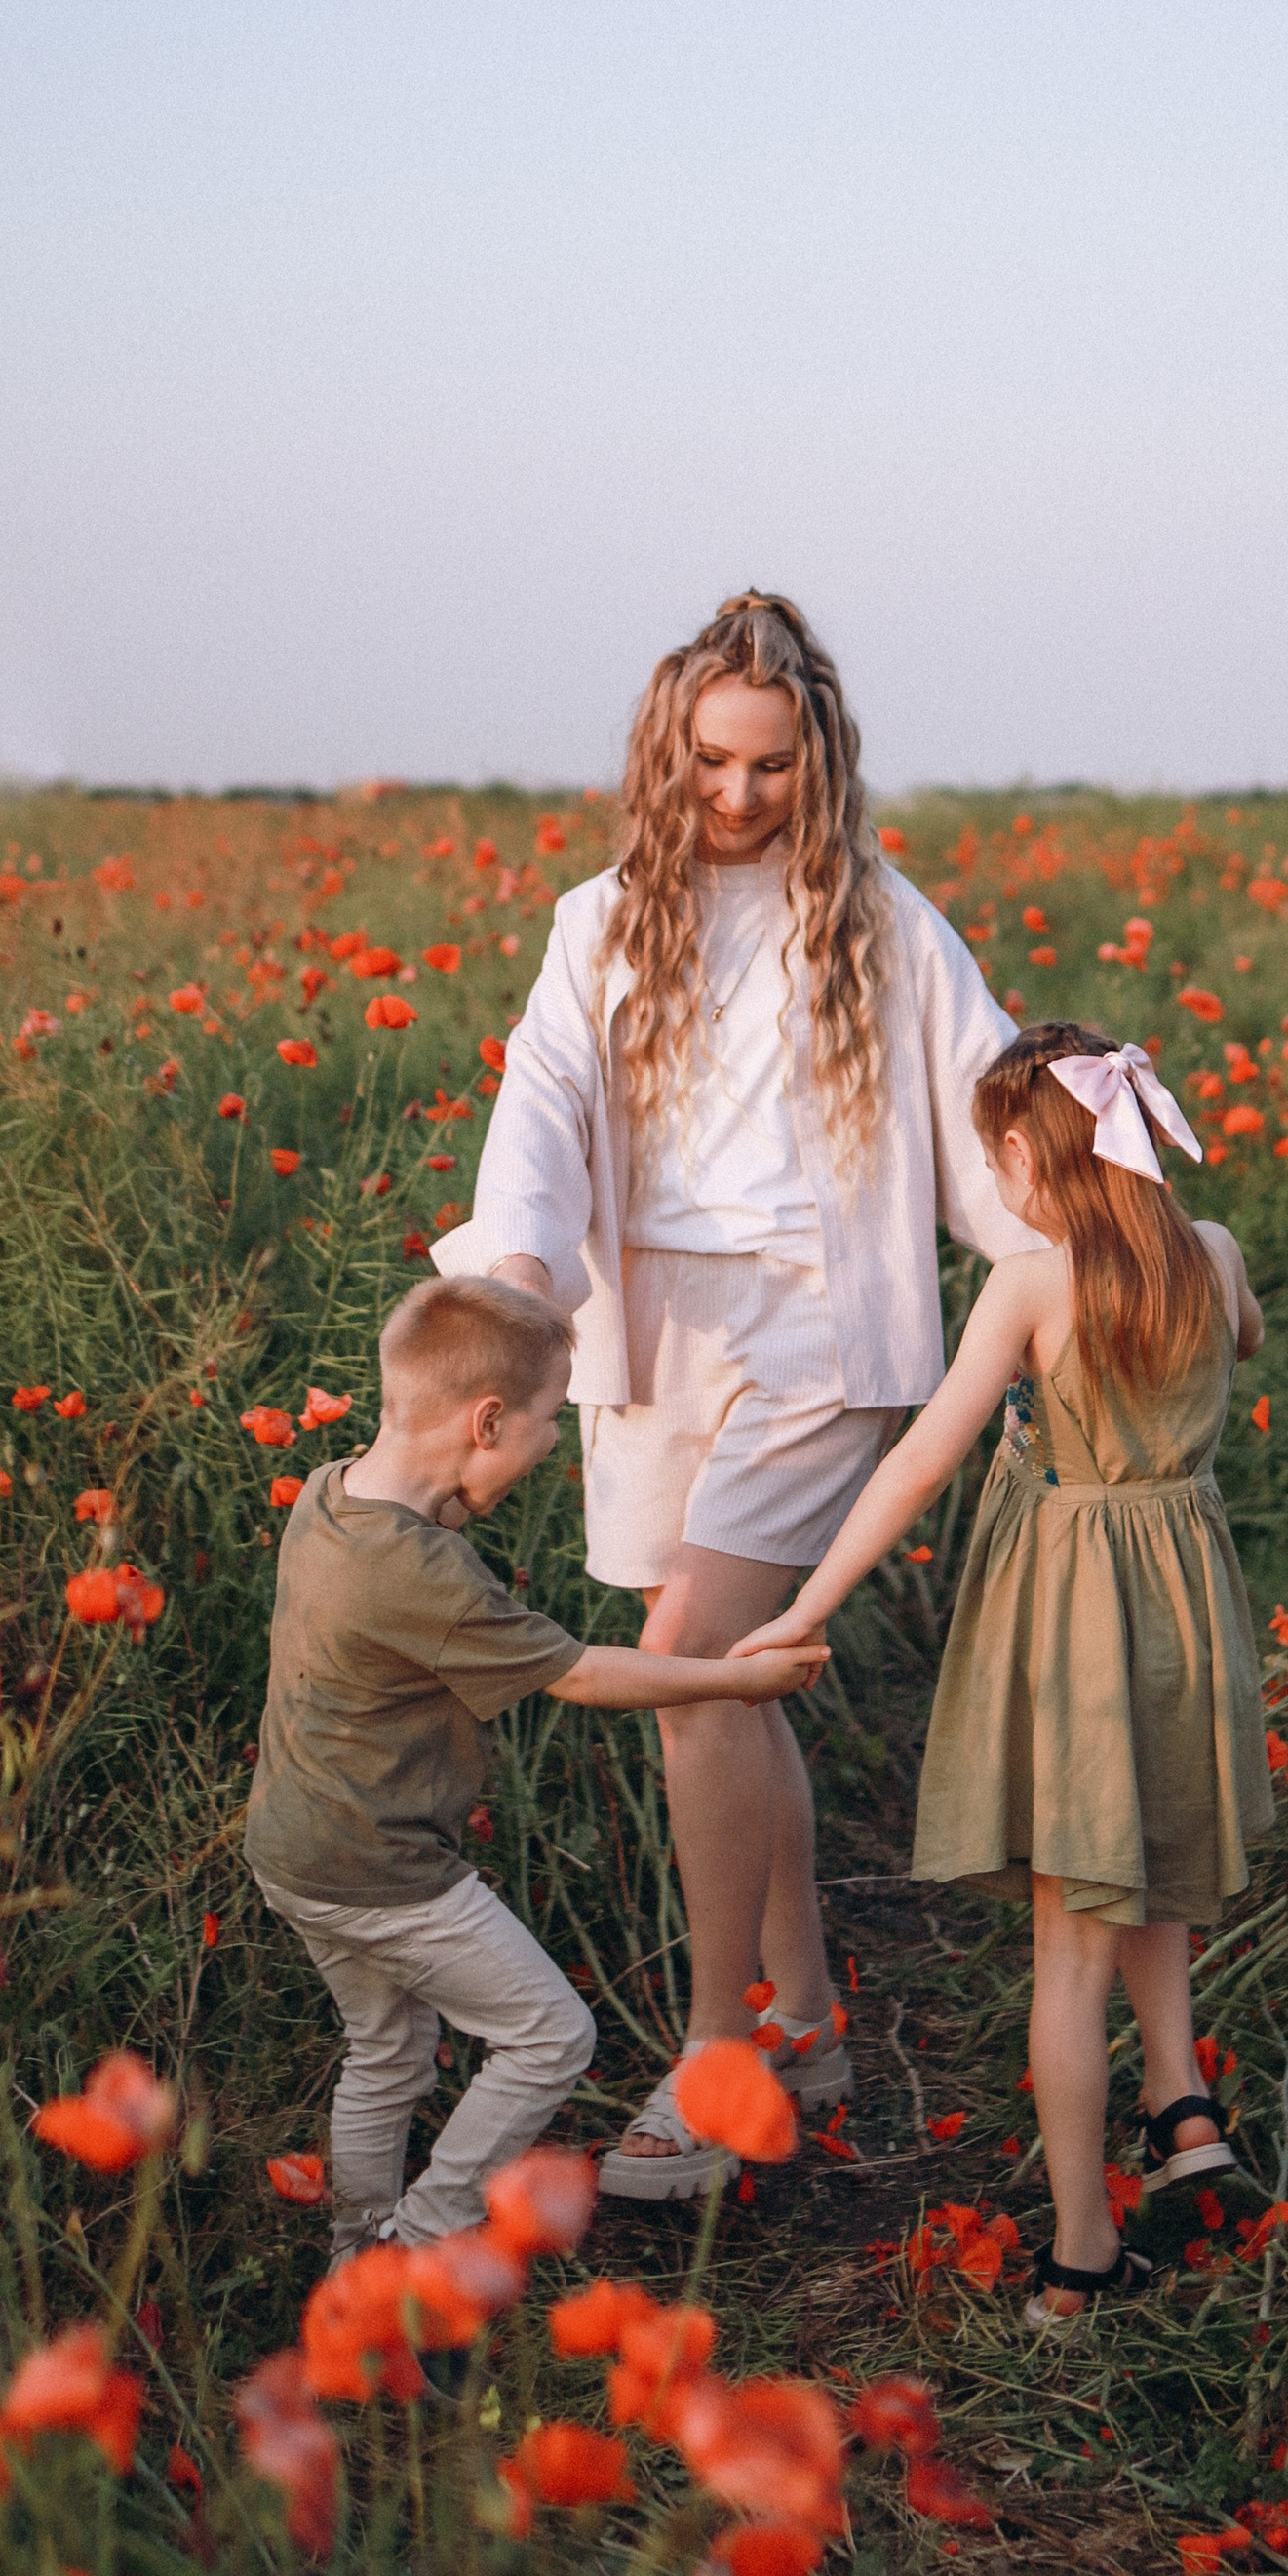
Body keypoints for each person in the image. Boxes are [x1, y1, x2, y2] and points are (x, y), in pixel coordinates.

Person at [430, 591, 1037, 2196]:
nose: (743, 794)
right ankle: (812, 2028)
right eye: (715, 760)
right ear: (668, 747)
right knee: (728, 1687)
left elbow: (992, 1110)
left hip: (821, 1338)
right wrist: (516, 1277)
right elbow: (545, 1105)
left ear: (817, 760)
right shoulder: (601, 920)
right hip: (652, 1335)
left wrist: (1102, 1236)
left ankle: (714, 2067)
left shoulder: (884, 920)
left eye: (774, 766)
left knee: (686, 1662)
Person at [729, 1020, 1271, 2326]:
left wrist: (799, 1608)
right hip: (1187, 1593)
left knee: (1069, 1945)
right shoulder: (1212, 1254)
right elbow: (1240, 1342)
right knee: (1144, 1846)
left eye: (995, 1159)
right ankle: (1184, 2108)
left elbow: (918, 1464)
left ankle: (1080, 2258)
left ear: (1028, 1152)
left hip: (1080, 1606)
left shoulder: (1032, 1286)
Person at [244, 1272, 826, 2257]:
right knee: (552, 2037)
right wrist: (737, 1681)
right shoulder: (425, 1577)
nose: (555, 1437)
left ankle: (355, 2248)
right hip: (385, 1871)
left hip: (296, 1854)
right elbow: (585, 1675)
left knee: (384, 2053)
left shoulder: (333, 1498)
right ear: (486, 1422)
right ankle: (422, 2244)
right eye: (550, 1417)